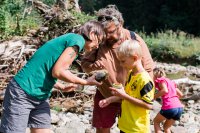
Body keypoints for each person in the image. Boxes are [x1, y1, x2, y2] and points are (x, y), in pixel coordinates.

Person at [0, 20, 105, 133]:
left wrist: (61, 86)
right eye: (99, 40)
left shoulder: (71, 39)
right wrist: (86, 82)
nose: (98, 45)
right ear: (92, 33)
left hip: (41, 96)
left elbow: (45, 68)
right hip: (22, 93)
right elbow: (58, 71)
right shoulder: (77, 40)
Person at [81, 5, 155, 133]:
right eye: (104, 32)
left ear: (120, 24)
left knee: (130, 129)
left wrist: (146, 94)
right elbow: (85, 65)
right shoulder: (99, 42)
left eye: (110, 32)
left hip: (131, 95)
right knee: (102, 128)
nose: (106, 36)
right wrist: (93, 68)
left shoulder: (134, 39)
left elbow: (148, 69)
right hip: (106, 93)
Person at [99, 40, 155, 133]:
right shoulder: (130, 74)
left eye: (123, 61)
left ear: (135, 58)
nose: (121, 64)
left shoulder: (145, 80)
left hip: (137, 129)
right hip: (125, 126)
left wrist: (124, 95)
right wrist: (111, 99)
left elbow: (148, 105)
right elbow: (127, 95)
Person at [153, 68, 184, 133]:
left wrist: (154, 97)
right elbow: (181, 94)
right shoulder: (171, 82)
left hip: (170, 107)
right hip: (179, 107)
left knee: (156, 122)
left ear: (155, 75)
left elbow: (165, 90)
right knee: (166, 127)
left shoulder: (161, 80)